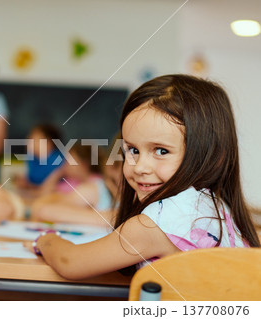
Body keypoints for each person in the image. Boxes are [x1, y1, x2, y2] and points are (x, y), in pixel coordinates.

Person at [30, 74, 260, 280]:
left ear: (211, 155)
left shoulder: (151, 224)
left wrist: (47, 240)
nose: (140, 167)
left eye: (161, 151)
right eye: (132, 150)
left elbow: (71, 262)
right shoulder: (217, 207)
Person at [30, 142, 118, 226]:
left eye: (69, 161)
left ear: (83, 164)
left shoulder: (93, 185)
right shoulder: (73, 182)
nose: (65, 165)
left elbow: (43, 206)